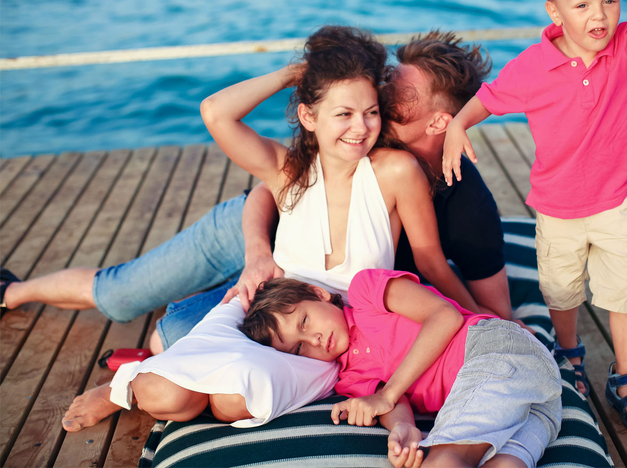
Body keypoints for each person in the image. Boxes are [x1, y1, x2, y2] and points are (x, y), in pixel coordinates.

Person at [56, 25, 499, 432]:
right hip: (266, 300)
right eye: (344, 113)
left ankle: (165, 362)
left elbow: (431, 264)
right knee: (166, 388)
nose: (362, 125)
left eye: (371, 111)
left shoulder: (398, 170)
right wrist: (299, 73)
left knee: (233, 401)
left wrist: (487, 322)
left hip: (324, 341)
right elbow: (215, 112)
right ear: (309, 116)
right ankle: (121, 388)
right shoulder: (288, 171)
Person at [442, 0, 627, 433]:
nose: (599, 15)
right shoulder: (533, 66)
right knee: (561, 289)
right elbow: (488, 98)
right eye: (582, 6)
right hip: (557, 206)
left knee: (625, 292)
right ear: (554, 11)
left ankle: (625, 376)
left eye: (610, 1)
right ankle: (570, 351)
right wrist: (456, 125)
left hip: (619, 198)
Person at [239, 269, 562, 468]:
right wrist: (403, 428)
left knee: (445, 460)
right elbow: (391, 403)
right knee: (504, 464)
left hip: (495, 350)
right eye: (299, 348)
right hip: (538, 402)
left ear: (318, 294)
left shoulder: (366, 292)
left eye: (305, 322)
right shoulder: (349, 379)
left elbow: (445, 316)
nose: (314, 340)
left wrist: (388, 394)